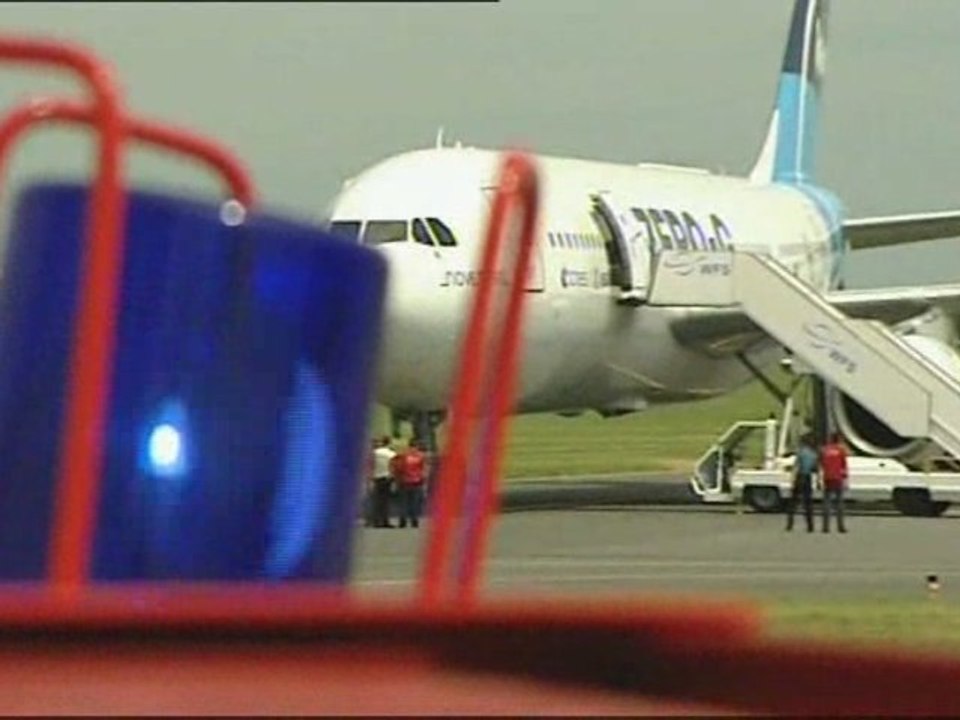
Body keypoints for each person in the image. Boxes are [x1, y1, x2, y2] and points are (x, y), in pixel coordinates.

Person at [785, 433, 817, 532]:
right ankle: (810, 526)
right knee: (808, 503)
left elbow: (796, 467)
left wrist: (792, 480)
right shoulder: (813, 454)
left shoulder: (801, 453)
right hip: (808, 478)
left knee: (793, 503)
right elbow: (815, 468)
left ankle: (790, 524)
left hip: (800, 477)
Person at [395, 437, 428, 529]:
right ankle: (414, 521)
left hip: (404, 481)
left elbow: (399, 468)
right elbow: (424, 470)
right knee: (414, 502)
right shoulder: (421, 456)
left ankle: (403, 521)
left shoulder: (403, 456)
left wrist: (398, 478)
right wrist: (424, 481)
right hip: (416, 481)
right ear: (417, 446)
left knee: (403, 502)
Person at [820, 432, 849, 533]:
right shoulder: (841, 450)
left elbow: (822, 465)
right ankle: (841, 526)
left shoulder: (825, 450)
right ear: (839, 440)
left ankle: (825, 527)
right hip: (838, 478)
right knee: (839, 503)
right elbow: (844, 466)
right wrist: (845, 480)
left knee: (827, 502)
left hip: (827, 477)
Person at [370, 436, 397, 528]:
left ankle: (376, 521)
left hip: (376, 477)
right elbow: (393, 467)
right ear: (389, 443)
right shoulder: (392, 454)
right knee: (386, 501)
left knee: (377, 500)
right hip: (387, 477)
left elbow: (371, 465)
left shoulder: (375, 453)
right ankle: (385, 521)